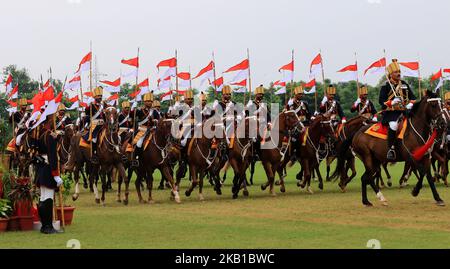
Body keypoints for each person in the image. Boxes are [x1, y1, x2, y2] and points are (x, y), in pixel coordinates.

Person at [379, 59, 416, 161]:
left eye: (399, 72)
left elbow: (413, 97)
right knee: (394, 125)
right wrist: (391, 102)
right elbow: (381, 101)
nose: (398, 74)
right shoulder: (385, 86)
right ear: (390, 74)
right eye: (396, 72)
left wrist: (410, 104)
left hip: (405, 111)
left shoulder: (404, 84)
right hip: (391, 113)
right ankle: (391, 149)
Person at [34, 114, 63, 234]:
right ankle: (48, 227)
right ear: (49, 121)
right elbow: (52, 157)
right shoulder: (49, 136)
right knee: (49, 198)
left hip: (41, 170)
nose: (54, 122)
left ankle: (44, 226)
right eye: (52, 120)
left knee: (43, 197)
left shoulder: (39, 135)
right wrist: (56, 175)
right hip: (48, 170)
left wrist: (56, 139)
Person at [131, 92, 158, 166]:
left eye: (151, 101)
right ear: (144, 102)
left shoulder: (154, 111)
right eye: (148, 101)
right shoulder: (140, 110)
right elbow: (131, 115)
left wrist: (155, 121)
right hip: (142, 130)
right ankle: (135, 158)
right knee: (139, 143)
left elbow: (158, 119)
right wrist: (133, 108)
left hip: (153, 130)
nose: (149, 103)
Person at [83, 86, 105, 164]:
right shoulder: (91, 106)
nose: (100, 97)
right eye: (98, 96)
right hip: (94, 125)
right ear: (95, 97)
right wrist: (89, 106)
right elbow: (86, 112)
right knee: (94, 139)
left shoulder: (103, 106)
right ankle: (94, 153)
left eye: (101, 96)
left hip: (103, 125)